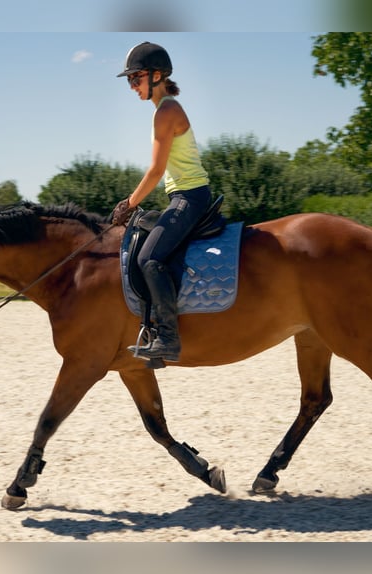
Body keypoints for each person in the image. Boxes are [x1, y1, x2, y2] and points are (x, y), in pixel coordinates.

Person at [112, 41, 212, 362]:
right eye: (129, 80)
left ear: (157, 75)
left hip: (190, 197)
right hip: (181, 196)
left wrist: (128, 203)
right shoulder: (163, 110)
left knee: (149, 259)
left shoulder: (166, 111)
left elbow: (156, 170)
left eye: (135, 78)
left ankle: (168, 338)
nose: (132, 86)